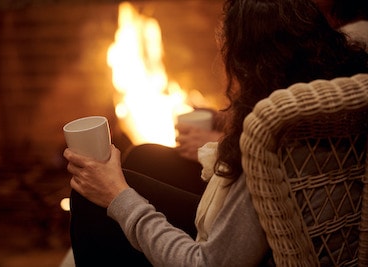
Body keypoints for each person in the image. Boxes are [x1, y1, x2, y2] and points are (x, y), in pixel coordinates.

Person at [63, 0, 368, 266]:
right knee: (146, 156)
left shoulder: (271, 140)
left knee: (91, 199)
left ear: (250, 65)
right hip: (268, 227)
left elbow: (205, 262)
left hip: (240, 251)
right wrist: (222, 130)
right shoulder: (326, 92)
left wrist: (117, 196)